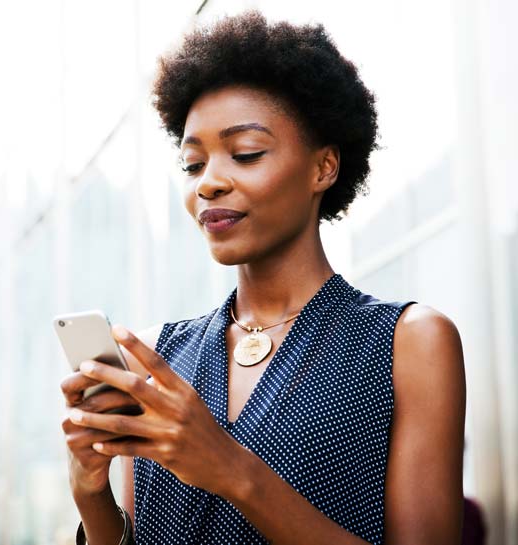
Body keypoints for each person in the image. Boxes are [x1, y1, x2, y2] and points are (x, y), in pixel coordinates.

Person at [60, 10, 466, 545]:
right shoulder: (158, 357)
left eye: (245, 154)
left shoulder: (408, 342)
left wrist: (233, 470)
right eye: (192, 165)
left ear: (323, 168)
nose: (208, 184)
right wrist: (91, 494)